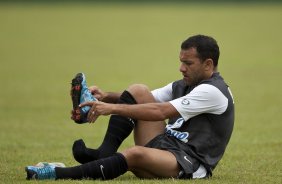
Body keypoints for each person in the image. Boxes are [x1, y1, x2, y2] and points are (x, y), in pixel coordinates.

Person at [25, 34, 235, 180]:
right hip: (166, 145)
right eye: (181, 61)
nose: (181, 68)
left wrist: (110, 108)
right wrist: (106, 96)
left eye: (188, 63)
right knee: (138, 90)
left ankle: (57, 173)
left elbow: (160, 111)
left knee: (135, 153)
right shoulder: (185, 84)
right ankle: (104, 154)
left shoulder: (213, 91)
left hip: (188, 162)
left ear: (208, 64)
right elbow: (142, 99)